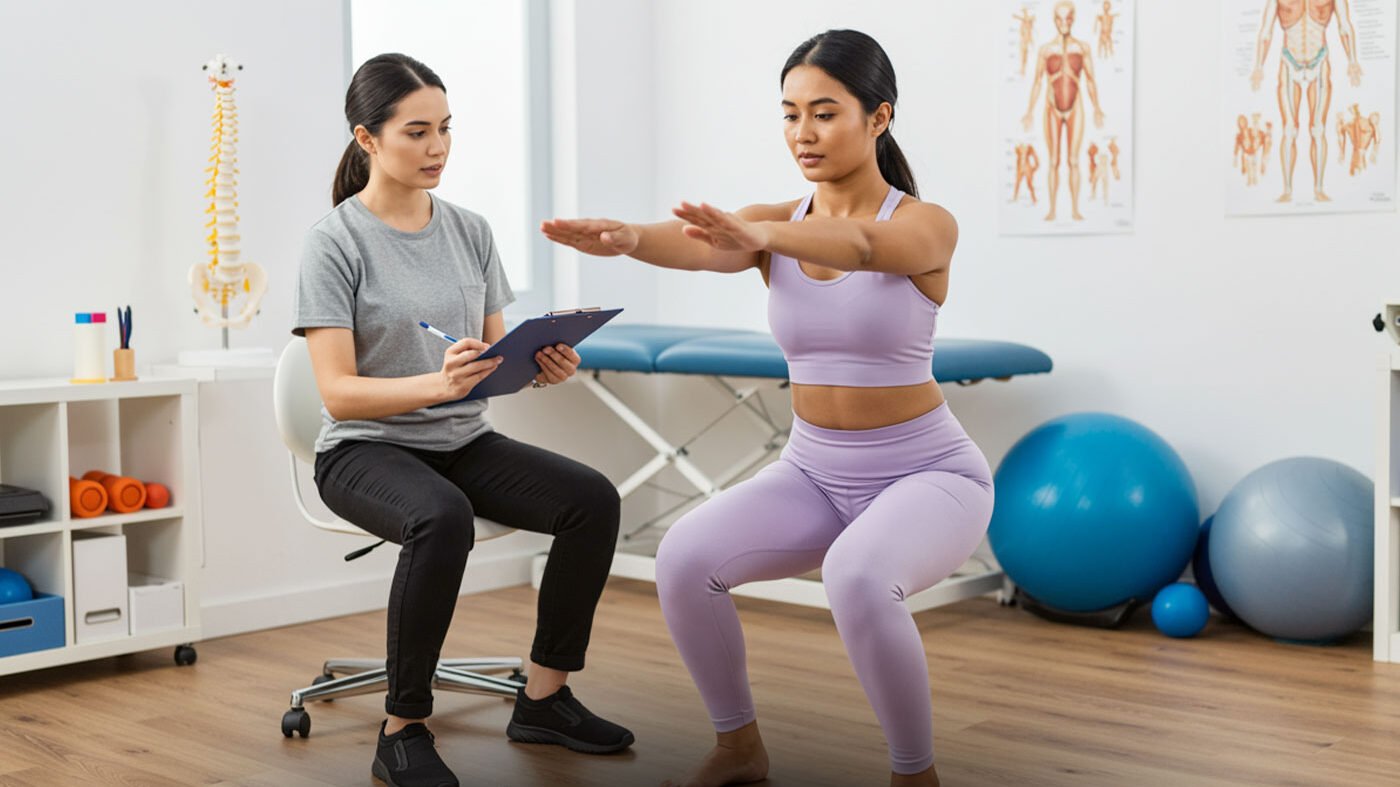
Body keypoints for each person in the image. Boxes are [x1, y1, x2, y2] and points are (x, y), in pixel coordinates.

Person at [542, 29, 993, 787]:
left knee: (855, 575)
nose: (802, 134)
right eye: (789, 114)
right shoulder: (768, 226)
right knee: (684, 558)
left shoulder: (924, 224)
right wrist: (627, 238)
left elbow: (855, 244)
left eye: (824, 113)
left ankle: (917, 775)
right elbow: (687, 243)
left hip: (931, 475)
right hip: (814, 471)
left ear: (880, 118)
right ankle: (740, 747)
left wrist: (762, 233)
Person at [293, 53, 632, 787]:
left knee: (591, 499)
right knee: (440, 517)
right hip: (362, 451)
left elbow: (490, 357)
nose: (438, 147)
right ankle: (403, 729)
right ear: (367, 139)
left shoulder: (470, 230)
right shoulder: (334, 242)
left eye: (446, 128)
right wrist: (436, 384)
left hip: (461, 439)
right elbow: (340, 395)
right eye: (417, 131)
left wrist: (539, 364)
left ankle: (544, 698)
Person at [1022, 0, 1106, 221]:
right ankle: (1051, 210)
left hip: (1075, 107)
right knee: (1053, 161)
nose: (1064, 23)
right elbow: (1038, 82)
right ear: (1054, 21)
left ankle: (1075, 209)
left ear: (1074, 19)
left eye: (1068, 18)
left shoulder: (1083, 48)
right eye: (1060, 18)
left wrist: (1097, 108)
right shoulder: (1046, 50)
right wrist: (1030, 111)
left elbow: (1090, 81)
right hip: (1051, 107)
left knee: (1074, 160)